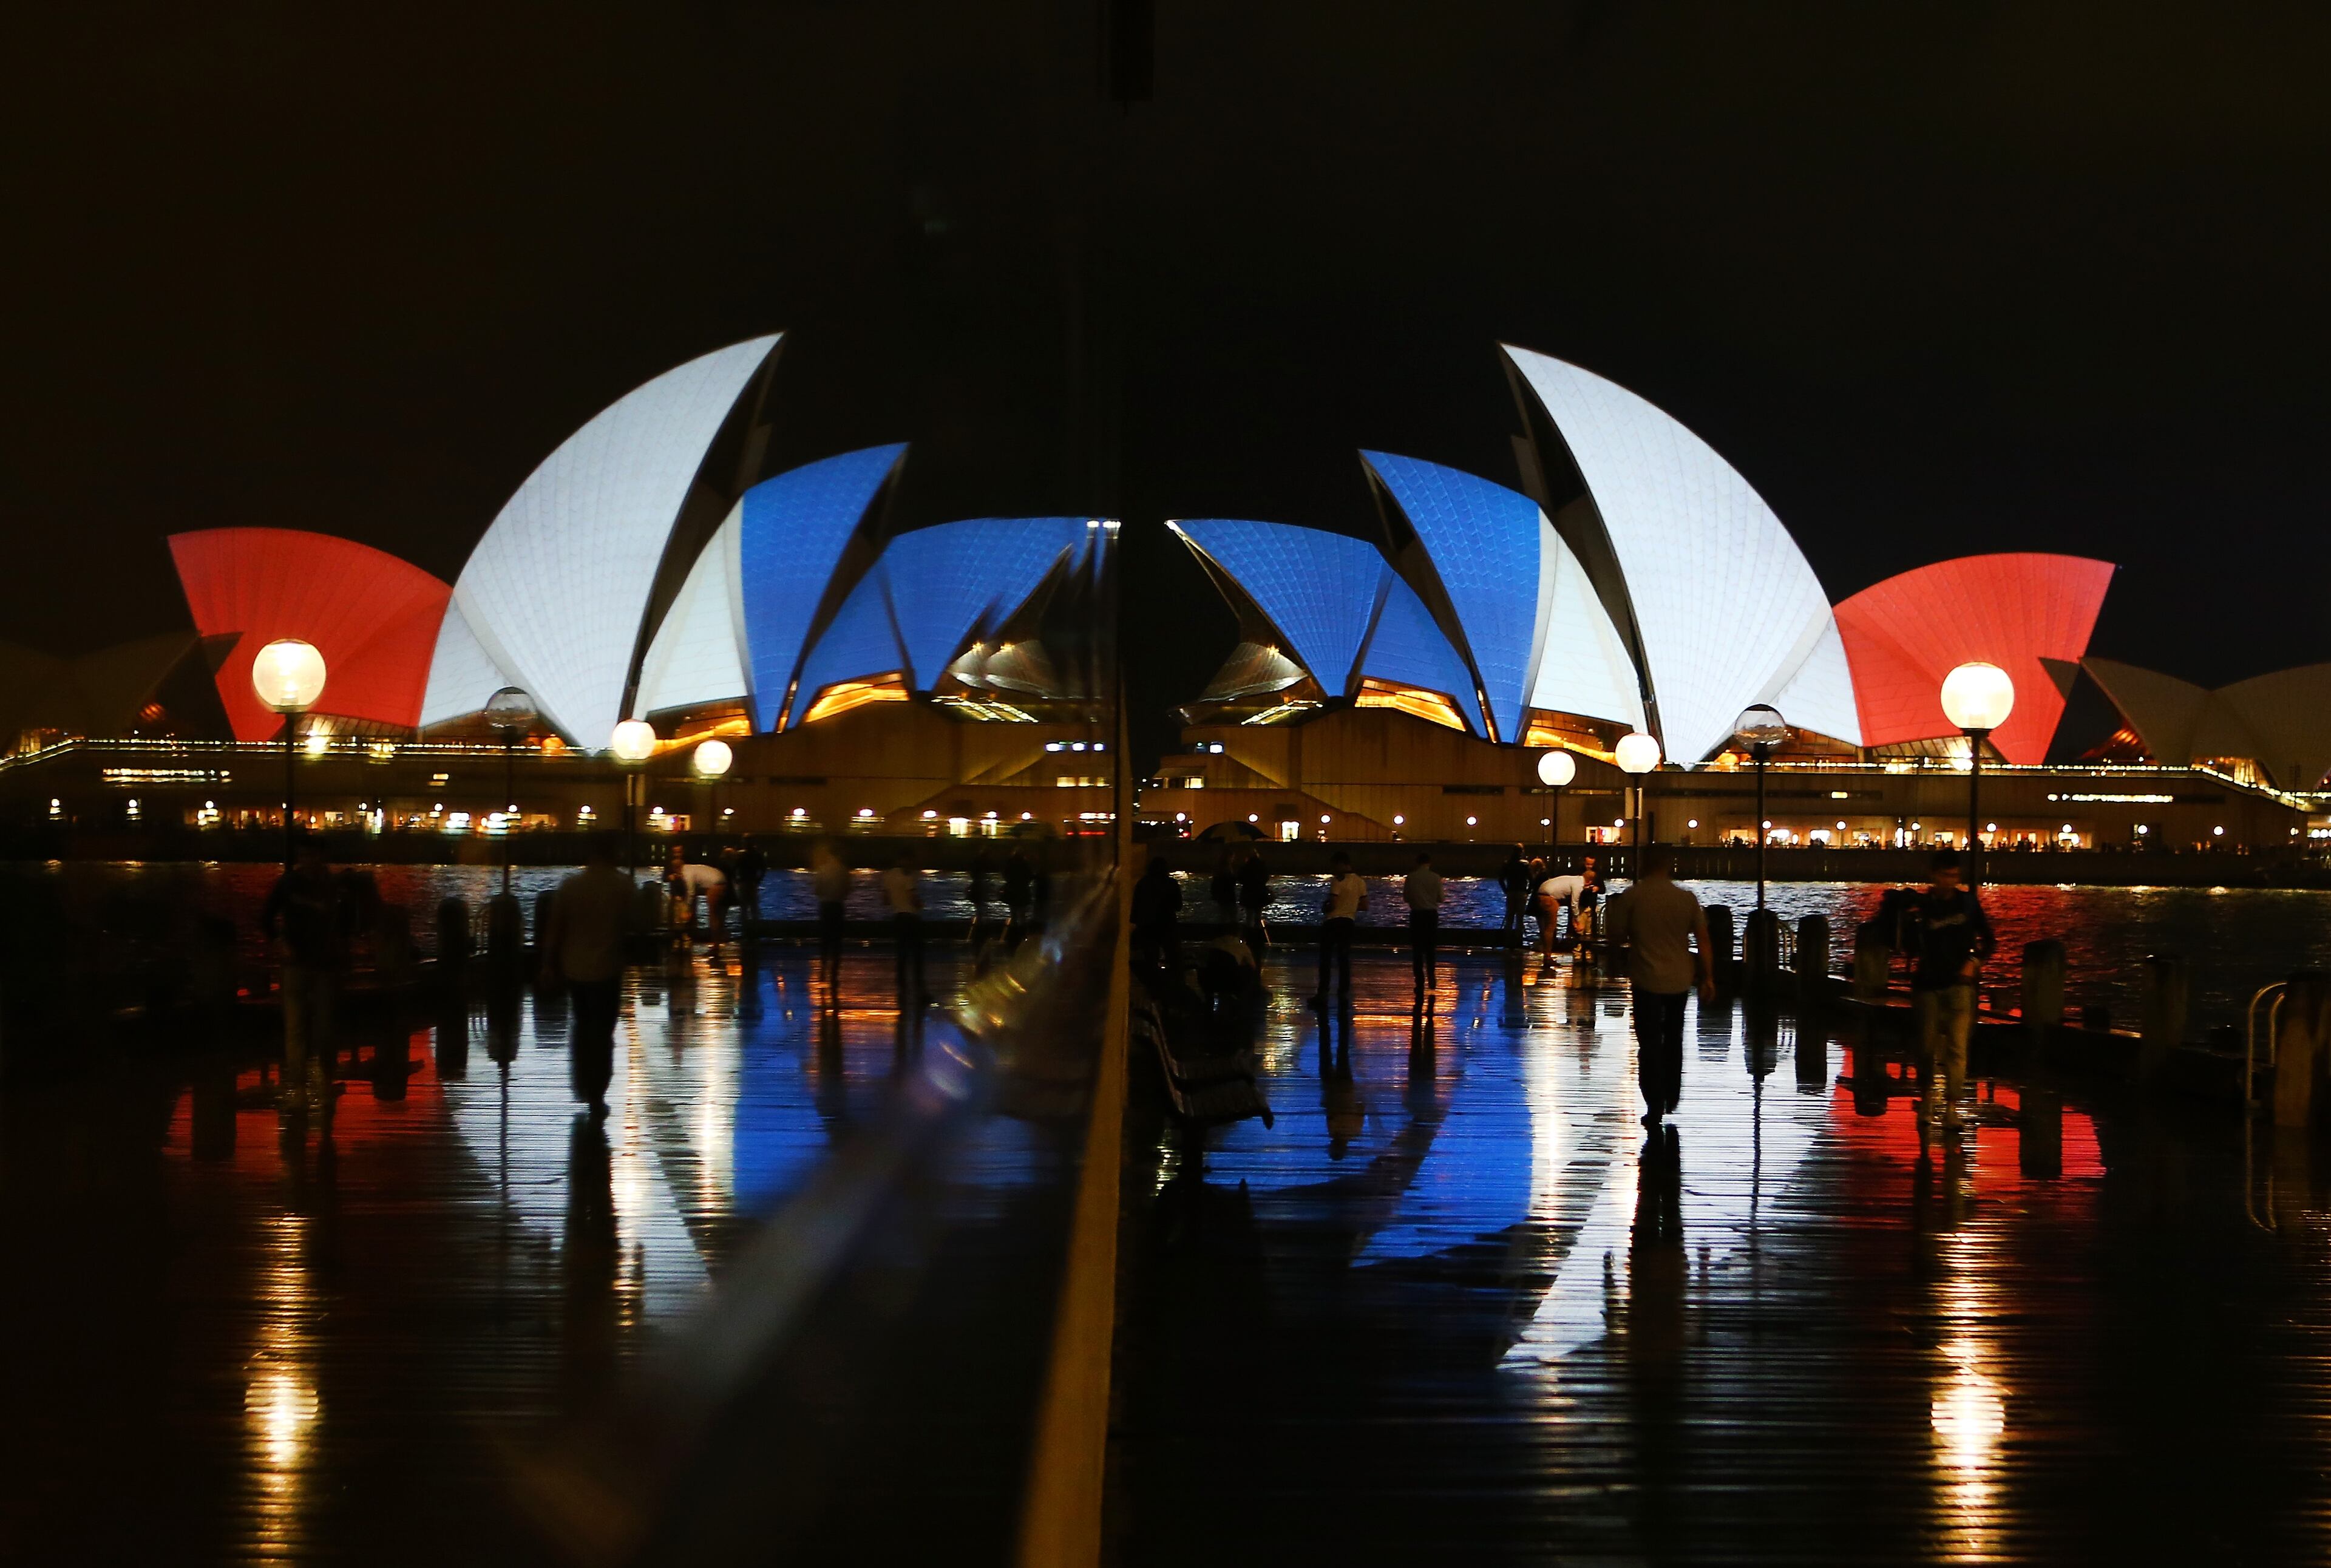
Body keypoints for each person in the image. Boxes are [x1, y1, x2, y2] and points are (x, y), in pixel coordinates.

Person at [1601, 846, 1716, 1126]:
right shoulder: (1686, 899)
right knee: (1674, 1037)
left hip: (1646, 979)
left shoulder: (1632, 897)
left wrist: (1615, 965)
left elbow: (1614, 935)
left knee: (1649, 1042)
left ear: (1643, 865)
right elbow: (1703, 941)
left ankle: (1654, 1102)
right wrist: (1708, 977)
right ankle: (1672, 1093)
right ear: (1668, 866)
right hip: (1679, 980)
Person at [1902, 849, 1996, 1148]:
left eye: (1955, 876)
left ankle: (1953, 1107)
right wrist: (1909, 922)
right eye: (1945, 876)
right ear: (1934, 876)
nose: (1950, 882)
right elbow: (1906, 948)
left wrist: (1975, 962)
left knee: (1957, 1049)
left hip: (1960, 986)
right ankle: (1928, 1096)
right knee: (1926, 1047)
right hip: (1928, 985)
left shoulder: (1968, 903)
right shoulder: (1922, 906)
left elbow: (1989, 940)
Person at [544, 832, 633, 1119]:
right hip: (608, 968)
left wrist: (548, 964)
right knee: (603, 1031)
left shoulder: (571, 885)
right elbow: (641, 923)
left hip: (575, 969)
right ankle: (598, 1090)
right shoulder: (623, 885)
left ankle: (582, 1080)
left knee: (582, 1024)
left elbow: (555, 928)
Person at [262, 836, 351, 1111]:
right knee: (297, 1028)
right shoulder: (290, 883)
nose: (308, 862)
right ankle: (300, 1087)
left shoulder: (334, 887)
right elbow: (266, 917)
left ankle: (323, 1079)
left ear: (323, 857)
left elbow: (348, 925)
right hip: (298, 964)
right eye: (304, 856)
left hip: (325, 964)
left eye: (313, 856)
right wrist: (281, 943)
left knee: (322, 1028)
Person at [1315, 852, 1366, 1008]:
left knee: (1326, 959)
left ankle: (1323, 993)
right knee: (1344, 959)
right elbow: (1365, 906)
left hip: (1333, 922)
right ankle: (1343, 991)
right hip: (1349, 922)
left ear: (1342, 864)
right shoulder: (1360, 882)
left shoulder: (1337, 881)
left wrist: (1326, 906)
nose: (1334, 869)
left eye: (1335, 865)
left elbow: (1333, 904)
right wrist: (1350, 906)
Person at [666, 846, 729, 957]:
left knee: (713, 916)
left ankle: (716, 945)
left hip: (716, 885)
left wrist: (687, 908)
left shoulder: (686, 873)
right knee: (718, 915)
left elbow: (691, 892)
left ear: (677, 869)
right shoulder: (690, 868)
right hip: (721, 880)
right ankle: (718, 940)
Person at [883, 852, 926, 1005]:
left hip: (898, 917)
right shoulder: (907, 876)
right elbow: (913, 898)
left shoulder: (888, 876)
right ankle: (919, 988)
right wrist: (922, 905)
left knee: (901, 954)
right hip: (911, 918)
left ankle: (901, 987)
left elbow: (885, 900)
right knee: (917, 955)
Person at [810, 840, 850, 999]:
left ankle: (823, 969)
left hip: (825, 906)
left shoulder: (822, 870)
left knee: (825, 940)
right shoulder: (844, 871)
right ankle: (835, 972)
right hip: (838, 906)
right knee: (837, 941)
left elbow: (817, 890)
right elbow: (847, 890)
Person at [1403, 851, 1444, 999]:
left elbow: (1406, 898)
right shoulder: (1436, 878)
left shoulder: (1411, 877)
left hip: (1417, 915)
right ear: (1429, 863)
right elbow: (1441, 899)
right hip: (1431, 915)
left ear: (1417, 862)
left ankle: (1419, 981)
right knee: (1431, 947)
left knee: (1417, 950)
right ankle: (1432, 975)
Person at [1132, 855, 1183, 968]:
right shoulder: (1171, 883)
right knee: (1173, 958)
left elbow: (1136, 906)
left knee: (1151, 960)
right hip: (1167, 924)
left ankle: (1154, 980)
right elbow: (1179, 906)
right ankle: (1174, 981)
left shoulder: (1143, 883)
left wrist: (1137, 922)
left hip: (1148, 926)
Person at [1498, 846, 1533, 948]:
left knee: (1509, 917)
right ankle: (1518, 942)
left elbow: (1501, 879)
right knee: (1520, 918)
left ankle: (1507, 941)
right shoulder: (1525, 864)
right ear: (1521, 852)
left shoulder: (1507, 864)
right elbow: (1531, 880)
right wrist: (1528, 891)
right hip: (1522, 892)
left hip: (1511, 892)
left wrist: (1506, 891)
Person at [1237, 847, 1271, 949]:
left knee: (1249, 917)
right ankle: (1258, 938)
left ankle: (1249, 938)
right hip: (1259, 893)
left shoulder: (1246, 866)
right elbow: (1266, 877)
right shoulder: (1262, 865)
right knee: (1258, 916)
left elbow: (1240, 878)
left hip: (1248, 894)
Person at [1003, 846, 1036, 948]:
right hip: (1022, 892)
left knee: (1013, 915)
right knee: (1022, 915)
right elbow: (1030, 876)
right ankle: (1023, 936)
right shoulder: (1025, 864)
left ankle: (1012, 936)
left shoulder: (1010, 863)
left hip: (1013, 891)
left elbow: (1005, 874)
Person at [735, 839, 768, 921]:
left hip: (743, 882)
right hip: (753, 882)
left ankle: (745, 925)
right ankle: (755, 925)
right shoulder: (757, 855)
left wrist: (736, 879)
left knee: (743, 907)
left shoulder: (740, 855)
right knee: (754, 906)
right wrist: (759, 880)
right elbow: (763, 869)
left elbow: (735, 868)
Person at [1209, 850, 1239, 924]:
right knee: (1232, 915)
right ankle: (1231, 931)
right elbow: (1229, 881)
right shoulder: (1227, 869)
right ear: (1229, 858)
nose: (1233, 859)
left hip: (1222, 895)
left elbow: (1215, 882)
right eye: (1232, 857)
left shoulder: (1219, 868)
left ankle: (1224, 931)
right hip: (1228, 894)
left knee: (1223, 915)